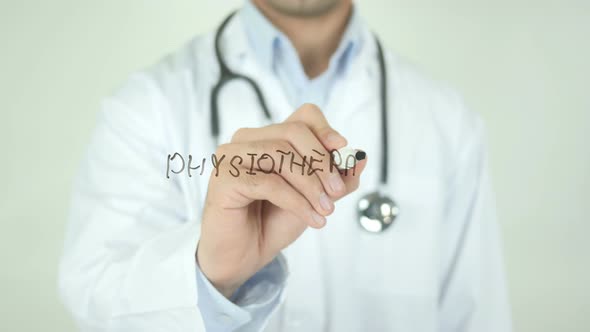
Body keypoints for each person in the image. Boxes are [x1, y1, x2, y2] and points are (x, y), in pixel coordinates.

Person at [58, 0, 512, 331]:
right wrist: (211, 275)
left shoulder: (447, 121)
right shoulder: (145, 108)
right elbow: (98, 309)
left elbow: (479, 318)